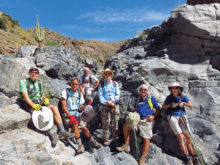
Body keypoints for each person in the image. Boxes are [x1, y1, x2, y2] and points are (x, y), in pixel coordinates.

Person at [19, 67, 74, 148]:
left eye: (36, 73)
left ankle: (62, 131)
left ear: (38, 74)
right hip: (29, 102)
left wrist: (45, 99)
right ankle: (52, 134)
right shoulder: (23, 82)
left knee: (54, 108)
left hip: (39, 101)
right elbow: (25, 97)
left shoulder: (39, 83)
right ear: (29, 73)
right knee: (40, 115)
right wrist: (33, 105)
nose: (34, 74)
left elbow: (42, 95)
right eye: (32, 72)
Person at [116, 84, 160, 165]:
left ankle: (142, 158)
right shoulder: (138, 99)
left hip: (147, 120)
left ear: (147, 91)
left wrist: (153, 116)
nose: (143, 91)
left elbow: (158, 109)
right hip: (138, 118)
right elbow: (136, 108)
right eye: (142, 89)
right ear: (140, 91)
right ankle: (126, 144)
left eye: (145, 90)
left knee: (146, 139)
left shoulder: (151, 98)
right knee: (126, 125)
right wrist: (133, 113)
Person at [60, 77, 102, 154]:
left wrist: (85, 105)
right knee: (75, 125)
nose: (74, 85)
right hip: (68, 115)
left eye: (76, 84)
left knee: (85, 129)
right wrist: (71, 116)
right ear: (70, 84)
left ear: (79, 85)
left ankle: (93, 141)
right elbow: (63, 107)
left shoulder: (79, 93)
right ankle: (80, 146)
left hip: (77, 114)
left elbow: (80, 106)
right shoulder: (66, 92)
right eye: (73, 84)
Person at [162, 82, 200, 165]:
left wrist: (184, 104)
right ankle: (188, 157)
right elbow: (164, 106)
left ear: (179, 89)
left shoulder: (183, 97)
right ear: (171, 89)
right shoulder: (169, 97)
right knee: (180, 136)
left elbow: (191, 105)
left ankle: (194, 156)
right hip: (172, 117)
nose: (175, 89)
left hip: (182, 116)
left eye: (176, 88)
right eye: (173, 88)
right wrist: (170, 105)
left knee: (188, 137)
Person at [98, 68, 120, 146]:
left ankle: (115, 135)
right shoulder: (101, 84)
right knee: (105, 121)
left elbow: (118, 94)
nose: (108, 75)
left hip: (114, 104)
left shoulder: (115, 83)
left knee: (116, 120)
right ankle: (106, 138)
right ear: (104, 75)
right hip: (105, 105)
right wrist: (106, 102)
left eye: (109, 74)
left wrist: (112, 101)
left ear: (111, 75)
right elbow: (100, 96)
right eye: (106, 74)